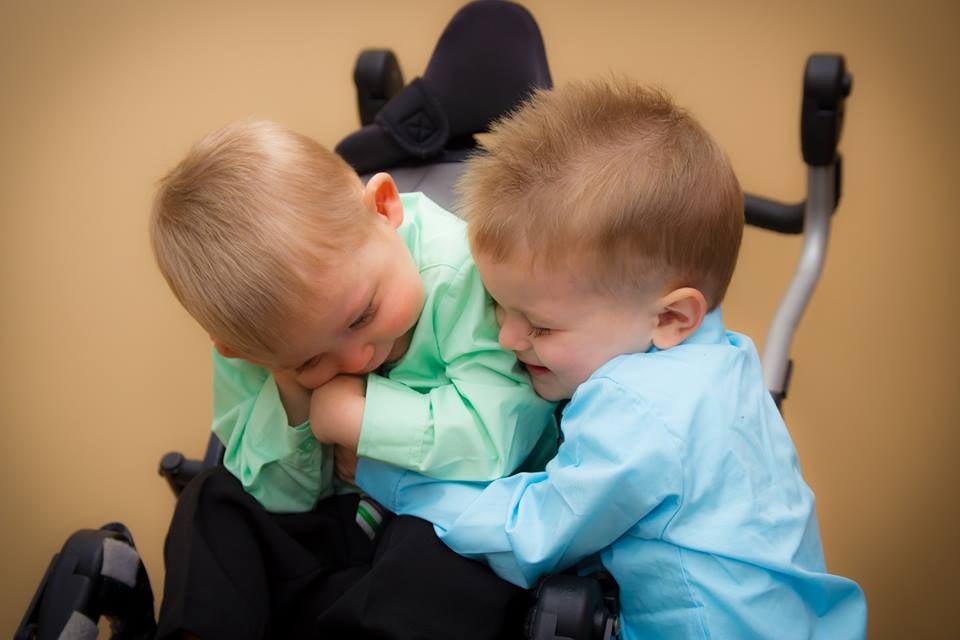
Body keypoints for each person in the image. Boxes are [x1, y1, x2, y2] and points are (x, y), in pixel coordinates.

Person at [355, 80, 868, 639]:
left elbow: (531, 535)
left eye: (541, 325)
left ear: (671, 317)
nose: (507, 337)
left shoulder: (635, 407)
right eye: (499, 308)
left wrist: (383, 472)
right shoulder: (724, 358)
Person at [148, 120, 557, 638]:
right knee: (212, 501)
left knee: (454, 542)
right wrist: (294, 395)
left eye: (362, 316)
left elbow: (498, 438)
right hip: (334, 536)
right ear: (237, 350)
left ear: (384, 209)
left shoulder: (463, 271)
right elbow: (276, 497)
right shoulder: (257, 348)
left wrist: (361, 417)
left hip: (432, 524)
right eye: (309, 359)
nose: (358, 358)